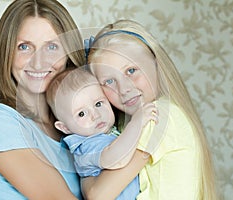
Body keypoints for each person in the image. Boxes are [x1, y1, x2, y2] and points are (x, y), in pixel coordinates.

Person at [82, 19, 218, 200]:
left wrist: (85, 171)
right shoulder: (148, 119)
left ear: (155, 63)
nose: (124, 89)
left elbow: (98, 195)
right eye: (109, 81)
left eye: (131, 70)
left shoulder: (157, 117)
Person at [0, 0, 86, 199]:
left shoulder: (77, 125)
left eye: (52, 47)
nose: (39, 61)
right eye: (24, 47)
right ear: (6, 53)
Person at [46, 67, 158, 199]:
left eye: (98, 104)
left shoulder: (107, 134)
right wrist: (137, 122)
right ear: (65, 128)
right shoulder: (85, 147)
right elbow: (116, 160)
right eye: (81, 114)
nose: (96, 115)